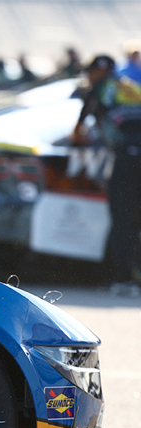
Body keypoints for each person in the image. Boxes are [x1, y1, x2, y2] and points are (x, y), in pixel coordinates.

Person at [77, 52, 141, 295]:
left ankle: (123, 280)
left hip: (128, 158)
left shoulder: (101, 88)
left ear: (97, 72)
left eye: (90, 73)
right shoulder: (131, 87)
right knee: (134, 220)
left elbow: (79, 128)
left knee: (123, 218)